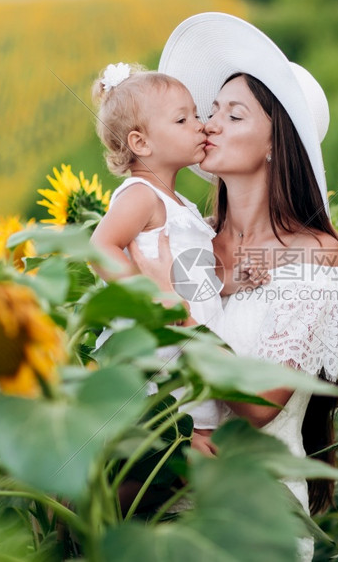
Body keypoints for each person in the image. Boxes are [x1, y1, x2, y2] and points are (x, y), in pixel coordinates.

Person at [131, 13, 338, 560]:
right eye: (208, 113)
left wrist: (176, 312)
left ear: (277, 142)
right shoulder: (189, 238)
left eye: (233, 114)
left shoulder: (313, 257)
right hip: (155, 508)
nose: (210, 124)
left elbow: (260, 403)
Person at [88, 61, 245, 453]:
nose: (200, 125)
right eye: (182, 119)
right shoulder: (141, 195)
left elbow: (192, 275)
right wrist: (147, 293)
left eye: (196, 114)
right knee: (155, 440)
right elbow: (99, 247)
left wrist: (231, 281)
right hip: (153, 358)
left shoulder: (180, 204)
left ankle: (188, 439)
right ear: (141, 143)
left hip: (183, 355)